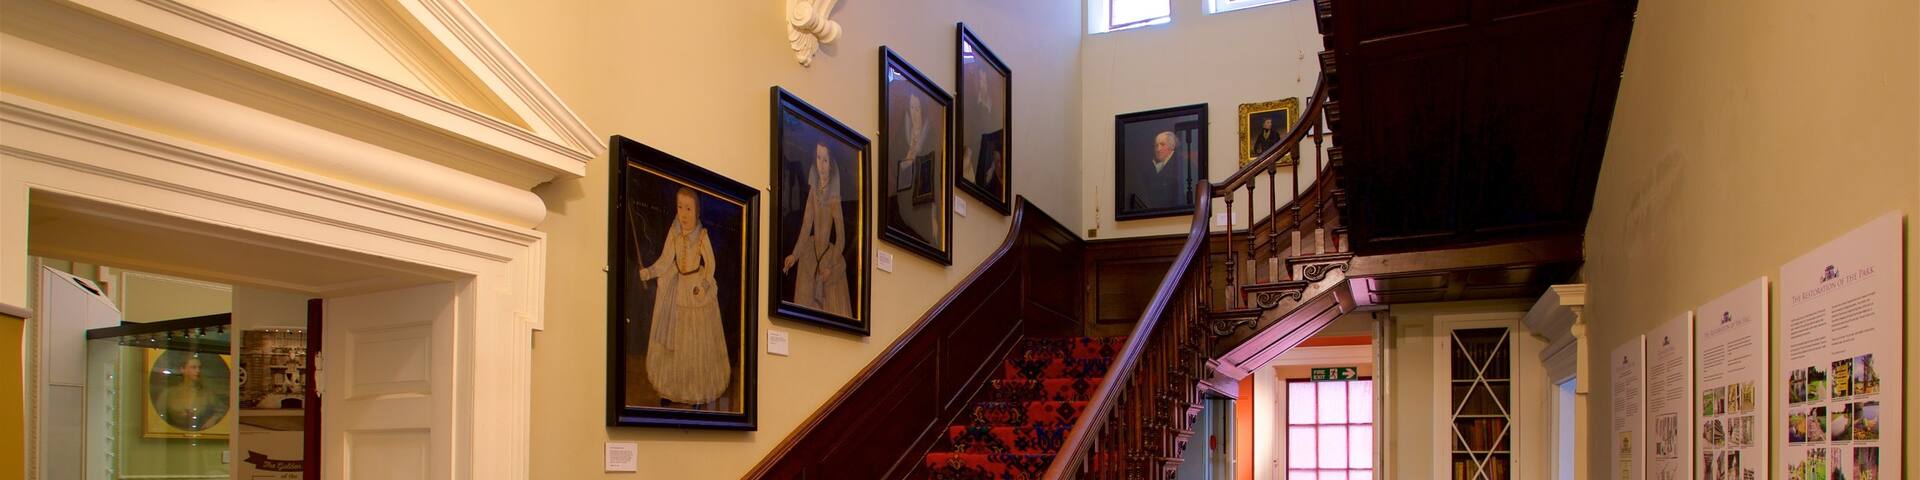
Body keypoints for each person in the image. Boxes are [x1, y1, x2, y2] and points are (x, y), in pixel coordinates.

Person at [637, 188, 730, 407]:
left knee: (695, 345)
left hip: (695, 287)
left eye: (688, 209)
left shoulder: (702, 235)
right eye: (680, 207)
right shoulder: (674, 231)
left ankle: (696, 391)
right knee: (675, 344)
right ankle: (671, 390)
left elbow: (711, 264)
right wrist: (649, 272)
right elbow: (665, 259)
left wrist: (705, 284)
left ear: (697, 212)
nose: (684, 214)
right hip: (677, 288)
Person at [782, 142, 852, 317]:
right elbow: (806, 227)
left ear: (831, 164)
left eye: (826, 160)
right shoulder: (813, 192)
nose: (821, 165)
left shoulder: (835, 198)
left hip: (828, 257)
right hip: (809, 254)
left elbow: (841, 238)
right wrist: (795, 255)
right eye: (819, 158)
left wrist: (829, 266)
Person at [154, 353, 229, 431]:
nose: (198, 371)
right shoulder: (168, 393)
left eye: (199, 368)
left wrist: (212, 420)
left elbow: (222, 410)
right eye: (194, 367)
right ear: (182, 369)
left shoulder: (206, 393)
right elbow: (157, 417)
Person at [1127, 130, 1193, 210]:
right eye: (1156, 145)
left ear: (1171, 146)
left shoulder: (1178, 164)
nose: (1158, 149)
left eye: (1162, 144)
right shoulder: (1151, 166)